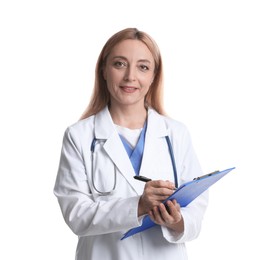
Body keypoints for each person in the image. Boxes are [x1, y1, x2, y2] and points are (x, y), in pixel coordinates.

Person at [54, 27, 208, 260]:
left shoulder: (175, 134)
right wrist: (139, 205)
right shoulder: (80, 136)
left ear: (154, 76)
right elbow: (76, 215)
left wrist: (177, 220)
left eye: (143, 67)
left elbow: (196, 211)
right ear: (104, 70)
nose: (130, 77)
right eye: (120, 64)